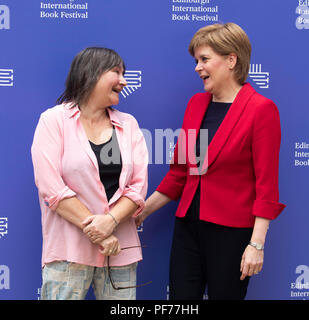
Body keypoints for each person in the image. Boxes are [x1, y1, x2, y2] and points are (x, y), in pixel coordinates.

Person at [136, 23, 286, 300]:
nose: (197, 67)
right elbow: (180, 174)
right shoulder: (196, 104)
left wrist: (257, 244)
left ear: (231, 60)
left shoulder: (261, 110)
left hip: (232, 235)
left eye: (204, 59)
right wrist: (142, 212)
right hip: (187, 231)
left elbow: (267, 187)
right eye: (196, 60)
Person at [31, 47, 148, 300]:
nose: (124, 80)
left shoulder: (129, 125)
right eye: (116, 72)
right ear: (91, 73)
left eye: (124, 73)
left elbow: (137, 188)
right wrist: (100, 233)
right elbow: (52, 188)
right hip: (68, 252)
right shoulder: (53, 121)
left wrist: (111, 222)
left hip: (120, 251)